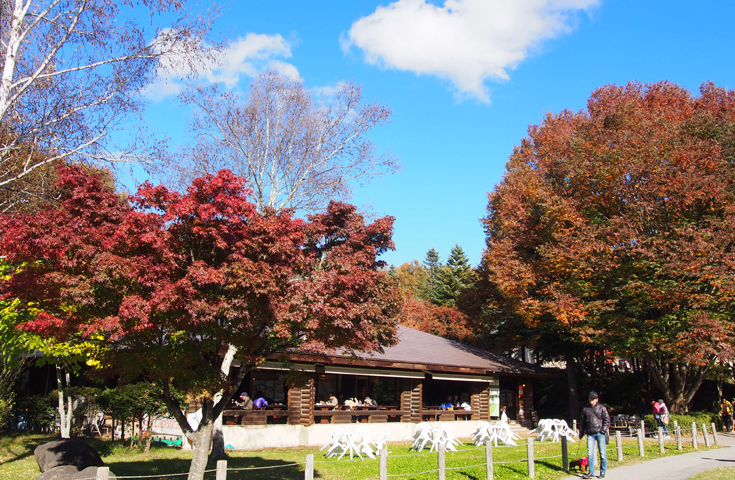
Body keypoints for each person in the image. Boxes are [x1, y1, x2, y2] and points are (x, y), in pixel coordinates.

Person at [579, 391, 610, 479]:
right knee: (590, 454)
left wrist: (603, 431)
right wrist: (581, 433)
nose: (591, 400)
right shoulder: (585, 409)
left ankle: (602, 472)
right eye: (590, 398)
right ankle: (591, 472)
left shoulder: (602, 408)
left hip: (600, 433)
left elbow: (607, 420)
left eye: (593, 399)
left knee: (603, 454)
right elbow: (582, 422)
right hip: (590, 433)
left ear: (597, 400)